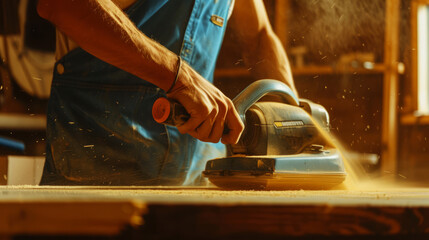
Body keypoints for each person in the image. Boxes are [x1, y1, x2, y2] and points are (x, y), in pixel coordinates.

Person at [36, 0, 297, 186]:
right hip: (95, 181)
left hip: (199, 182)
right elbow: (63, 5)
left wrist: (296, 117)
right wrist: (179, 77)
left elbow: (260, 36)